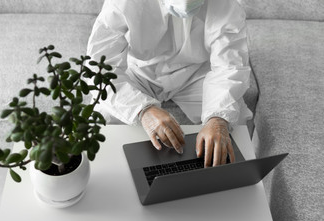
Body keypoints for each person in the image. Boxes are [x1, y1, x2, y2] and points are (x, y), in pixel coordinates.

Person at [87, 0, 252, 167]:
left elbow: (228, 67)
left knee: (237, 125)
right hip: (141, 71)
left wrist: (218, 119)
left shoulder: (228, 4)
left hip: (195, 73)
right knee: (100, 123)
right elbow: (99, 67)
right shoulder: (123, 3)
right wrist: (142, 109)